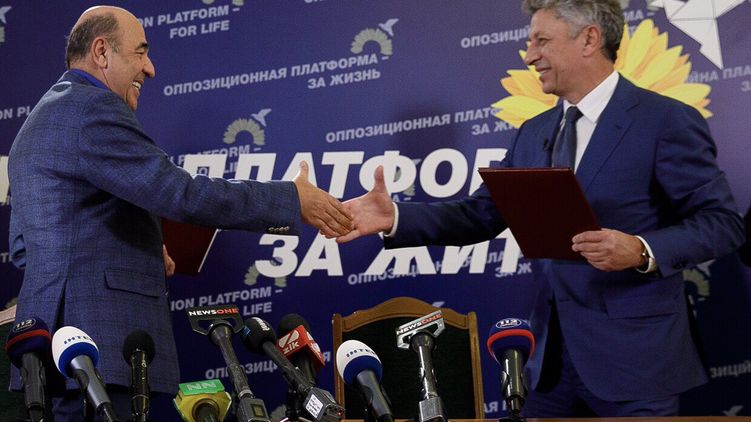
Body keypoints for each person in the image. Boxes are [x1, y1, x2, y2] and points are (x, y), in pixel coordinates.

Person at [337, 0, 744, 417]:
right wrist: (395, 217)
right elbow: (480, 215)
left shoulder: (665, 120)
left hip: (636, 366)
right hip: (549, 368)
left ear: (589, 39)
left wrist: (641, 250)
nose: (530, 55)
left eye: (542, 41)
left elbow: (723, 223)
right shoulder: (532, 133)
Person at [7, 6, 351, 421]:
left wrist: (139, 248)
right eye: (140, 52)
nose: (150, 68)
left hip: (48, 357)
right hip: (102, 354)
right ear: (101, 52)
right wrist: (292, 199)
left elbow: (27, 249)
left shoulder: (37, 124)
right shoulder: (92, 109)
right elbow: (182, 194)